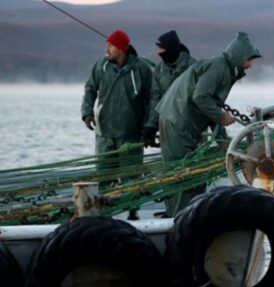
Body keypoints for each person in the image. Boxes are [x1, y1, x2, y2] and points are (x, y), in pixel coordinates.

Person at [156, 32, 261, 217]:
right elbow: (201, 97)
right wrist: (221, 117)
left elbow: (212, 103)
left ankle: (187, 214)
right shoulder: (219, 68)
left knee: (188, 171)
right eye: (248, 59)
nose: (250, 65)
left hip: (180, 120)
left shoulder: (225, 70)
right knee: (182, 172)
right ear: (237, 56)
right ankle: (179, 218)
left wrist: (223, 143)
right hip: (177, 120)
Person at [81, 29, 154, 220]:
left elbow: (152, 98)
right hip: (104, 133)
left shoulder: (141, 69)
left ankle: (132, 211)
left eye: (111, 45)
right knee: (104, 176)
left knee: (131, 176)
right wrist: (87, 112)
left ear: (121, 48)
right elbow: (90, 89)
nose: (107, 48)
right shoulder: (101, 66)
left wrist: (149, 125)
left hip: (130, 133)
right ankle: (103, 214)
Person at [142, 30, 196, 147]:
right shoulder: (159, 69)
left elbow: (202, 97)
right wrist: (151, 126)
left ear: (170, 49)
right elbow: (155, 100)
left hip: (192, 129)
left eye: (161, 49)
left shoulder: (193, 67)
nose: (158, 53)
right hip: (167, 128)